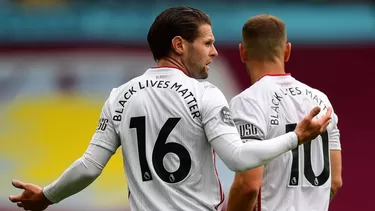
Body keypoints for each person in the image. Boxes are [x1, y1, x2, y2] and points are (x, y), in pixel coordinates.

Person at [9, 7, 332, 211]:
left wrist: (47, 197)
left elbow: (90, 167)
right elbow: (238, 158)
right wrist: (295, 137)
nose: (215, 52)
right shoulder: (205, 94)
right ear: (179, 45)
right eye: (207, 43)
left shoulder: (120, 95)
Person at [226, 14, 342, 211]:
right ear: (287, 51)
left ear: (242, 52)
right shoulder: (321, 100)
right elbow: (335, 181)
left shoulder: (248, 102)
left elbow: (249, 185)